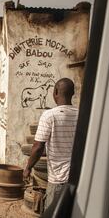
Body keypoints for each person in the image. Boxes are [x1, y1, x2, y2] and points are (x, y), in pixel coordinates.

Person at [23, 78, 79, 210]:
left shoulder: (49, 115)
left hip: (58, 180)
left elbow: (38, 147)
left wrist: (28, 168)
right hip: (78, 178)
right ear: (72, 93)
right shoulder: (81, 115)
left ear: (55, 92)